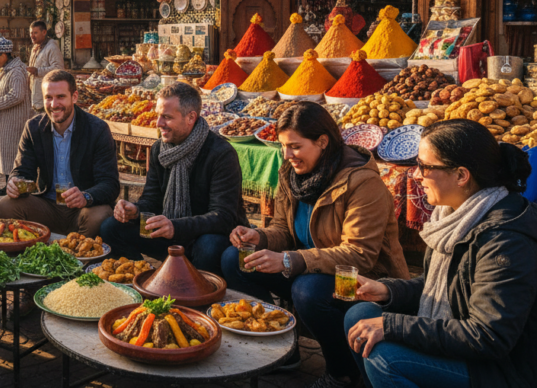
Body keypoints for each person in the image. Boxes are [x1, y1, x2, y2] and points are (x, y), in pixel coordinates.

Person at [222, 101, 408, 388]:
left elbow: (359, 255)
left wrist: (289, 260)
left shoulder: (362, 182)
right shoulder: (291, 174)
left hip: (362, 281)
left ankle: (342, 373)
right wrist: (259, 237)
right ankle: (282, 350)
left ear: (322, 141)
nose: (287, 155)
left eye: (295, 147)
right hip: (308, 268)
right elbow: (283, 229)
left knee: (307, 290)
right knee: (234, 259)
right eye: (283, 146)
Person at [344, 120, 537, 388]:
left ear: (461, 175)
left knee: (386, 358)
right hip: (464, 336)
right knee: (359, 315)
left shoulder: (503, 240)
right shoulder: (452, 216)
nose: (415, 175)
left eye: (425, 166)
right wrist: (388, 291)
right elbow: (449, 285)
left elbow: (488, 336)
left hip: (500, 368)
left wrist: (392, 326)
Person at [102, 82, 245, 274]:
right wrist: (135, 210)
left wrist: (175, 227)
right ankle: (143, 276)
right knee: (111, 227)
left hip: (202, 235)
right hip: (169, 231)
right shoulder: (159, 149)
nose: (158, 123)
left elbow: (223, 218)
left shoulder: (220, 153)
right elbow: (151, 200)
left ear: (191, 117)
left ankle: (195, 288)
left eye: (167, 117)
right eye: (158, 115)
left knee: (209, 245)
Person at [0, 70, 118, 237]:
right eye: (48, 97)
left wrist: (86, 196)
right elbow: (23, 171)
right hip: (46, 206)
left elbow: (110, 183)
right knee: (6, 205)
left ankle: (79, 249)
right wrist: (15, 182)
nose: (54, 104)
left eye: (60, 97)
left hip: (82, 209)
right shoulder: (33, 128)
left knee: (100, 215)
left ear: (74, 97)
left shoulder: (97, 129)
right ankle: (33, 245)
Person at [0, 37, 30, 197]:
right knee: (7, 153)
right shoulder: (8, 69)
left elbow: (17, 95)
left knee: (12, 154)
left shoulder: (16, 71)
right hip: (7, 119)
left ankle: (13, 186)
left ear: (4, 54)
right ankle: (8, 185)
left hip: (15, 120)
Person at [26, 21, 64, 115]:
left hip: (47, 97)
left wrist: (37, 71)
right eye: (31, 33)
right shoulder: (36, 47)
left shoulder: (52, 47)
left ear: (44, 32)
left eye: (35, 33)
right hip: (36, 97)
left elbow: (59, 69)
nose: (32, 36)